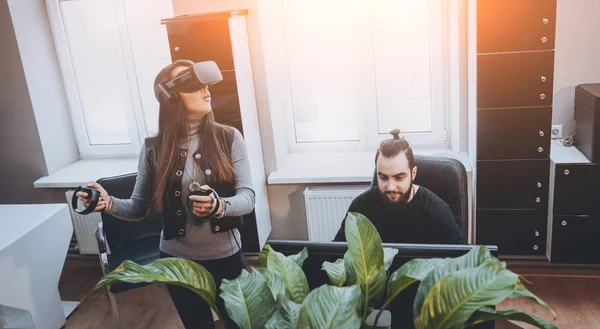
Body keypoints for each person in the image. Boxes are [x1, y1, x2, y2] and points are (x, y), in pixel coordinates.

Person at [77, 59, 254, 329]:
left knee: (239, 324)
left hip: (226, 259)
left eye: (205, 84)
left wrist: (219, 206)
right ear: (170, 97)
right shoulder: (153, 149)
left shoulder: (229, 138)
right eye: (193, 84)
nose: (205, 89)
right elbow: (138, 207)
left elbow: (247, 199)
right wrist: (108, 203)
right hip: (177, 262)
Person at [333, 129, 464, 244]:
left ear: (413, 173)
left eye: (399, 178)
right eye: (383, 177)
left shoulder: (436, 211)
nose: (391, 187)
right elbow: (334, 253)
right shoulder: (361, 207)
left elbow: (461, 259)